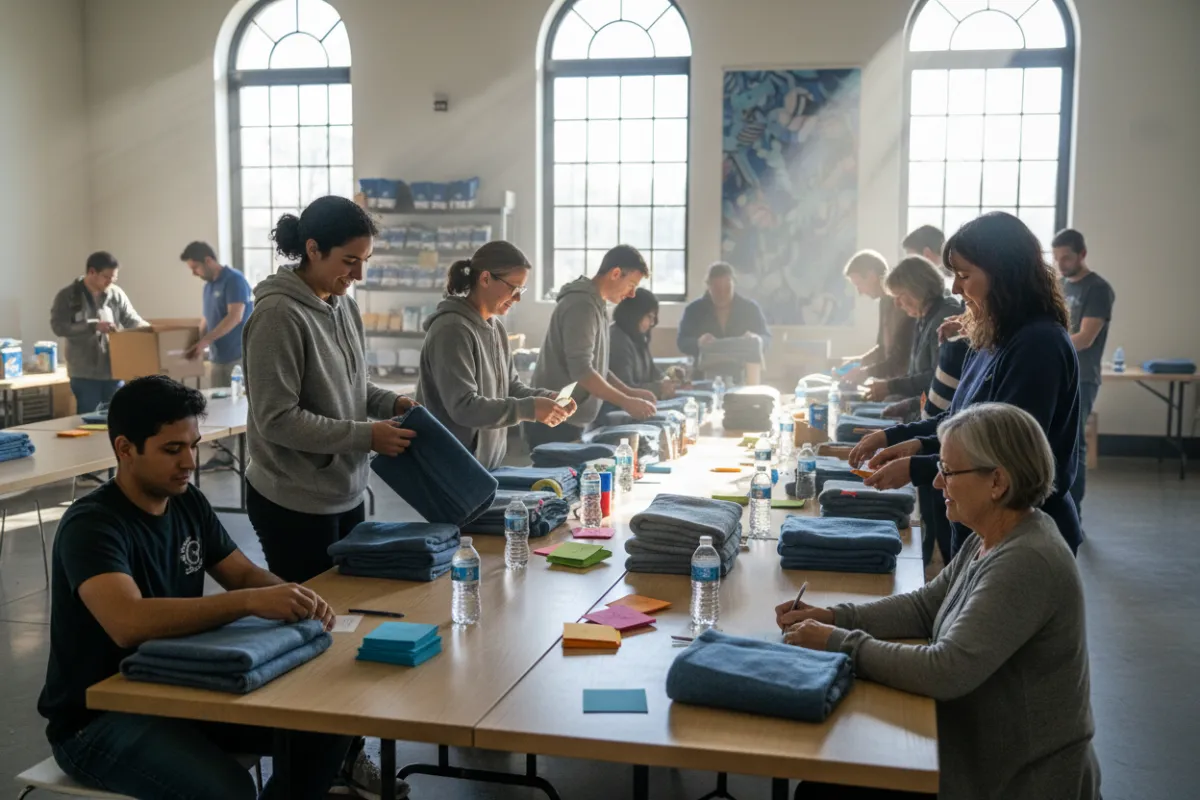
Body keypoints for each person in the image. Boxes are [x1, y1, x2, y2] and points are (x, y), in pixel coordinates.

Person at [37, 375, 350, 800]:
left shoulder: (186, 500)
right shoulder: (93, 525)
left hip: (176, 688)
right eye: (172, 449)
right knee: (229, 791)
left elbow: (241, 574)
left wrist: (297, 600)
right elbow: (127, 622)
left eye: (193, 445)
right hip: (100, 717)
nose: (190, 462)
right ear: (125, 449)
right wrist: (249, 602)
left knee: (327, 726)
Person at [779, 403, 1100, 800]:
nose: (935, 484)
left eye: (947, 471)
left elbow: (945, 671)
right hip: (978, 756)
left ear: (997, 481)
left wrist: (837, 642)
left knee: (823, 791)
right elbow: (923, 607)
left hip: (1016, 782)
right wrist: (832, 616)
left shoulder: (1027, 560)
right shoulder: (993, 535)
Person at [242, 196, 414, 798]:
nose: (357, 275)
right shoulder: (277, 317)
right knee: (312, 640)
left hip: (344, 489)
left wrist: (386, 402)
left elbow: (350, 383)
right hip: (292, 500)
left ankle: (342, 753)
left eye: (364, 261)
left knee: (349, 632)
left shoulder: (338, 302)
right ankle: (301, 775)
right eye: (349, 260)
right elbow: (276, 418)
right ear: (310, 250)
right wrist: (367, 435)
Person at [849, 212, 1082, 555]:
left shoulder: (1038, 345)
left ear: (1004, 275)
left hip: (1024, 537)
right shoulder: (992, 335)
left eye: (964, 275)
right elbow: (961, 424)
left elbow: (1005, 456)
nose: (956, 288)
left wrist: (917, 467)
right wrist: (899, 438)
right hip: (984, 525)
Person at [418, 241, 576, 470]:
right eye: (514, 288)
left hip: (484, 465)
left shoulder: (495, 328)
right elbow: (464, 407)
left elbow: (510, 388)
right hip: (450, 467)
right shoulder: (451, 329)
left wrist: (547, 398)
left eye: (521, 290)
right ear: (485, 279)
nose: (518, 298)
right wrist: (529, 409)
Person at [524, 244, 656, 448]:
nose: (632, 294)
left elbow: (598, 367)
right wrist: (626, 401)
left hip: (572, 419)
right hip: (555, 419)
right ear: (615, 273)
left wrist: (630, 392)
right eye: (631, 284)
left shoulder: (597, 303)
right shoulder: (582, 305)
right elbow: (582, 371)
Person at [1053, 228, 1114, 517]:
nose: (1061, 264)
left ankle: (1073, 513)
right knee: (1057, 442)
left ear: (1082, 254)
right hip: (1059, 373)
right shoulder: (1061, 285)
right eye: (1057, 258)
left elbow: (1087, 337)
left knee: (1075, 443)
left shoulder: (1098, 289)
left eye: (1066, 258)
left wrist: (1049, 346)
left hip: (1083, 377)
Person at [50, 251, 148, 414]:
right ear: (91, 272)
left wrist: (150, 330)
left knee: (117, 419)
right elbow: (58, 327)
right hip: (84, 373)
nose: (110, 281)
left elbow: (131, 319)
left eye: (113, 278)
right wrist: (92, 327)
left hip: (114, 370)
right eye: (106, 277)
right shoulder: (67, 296)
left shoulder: (116, 294)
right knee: (89, 421)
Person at [863, 255, 961, 404]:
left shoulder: (945, 318)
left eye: (899, 296)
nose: (896, 304)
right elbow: (914, 374)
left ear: (918, 289)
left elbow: (939, 378)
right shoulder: (922, 318)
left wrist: (892, 386)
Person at [676, 262, 771, 378]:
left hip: (743, 374)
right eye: (717, 290)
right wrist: (698, 343)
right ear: (708, 287)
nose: (722, 294)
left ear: (734, 284)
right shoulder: (694, 310)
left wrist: (757, 339)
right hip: (704, 375)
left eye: (727, 289)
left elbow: (767, 337)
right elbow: (682, 341)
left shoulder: (750, 308)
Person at [180, 241, 254, 390]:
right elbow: (206, 318)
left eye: (195, 268)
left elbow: (235, 317)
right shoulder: (208, 286)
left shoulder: (234, 280)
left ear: (208, 261)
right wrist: (197, 342)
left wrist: (205, 341)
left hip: (237, 358)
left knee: (238, 406)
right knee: (218, 405)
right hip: (217, 358)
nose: (194, 273)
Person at [842, 250, 915, 383]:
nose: (860, 292)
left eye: (859, 284)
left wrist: (865, 373)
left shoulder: (902, 305)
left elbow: (900, 357)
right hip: (890, 380)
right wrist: (860, 361)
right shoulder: (884, 302)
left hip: (905, 383)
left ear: (871, 276)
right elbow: (882, 348)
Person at [607, 287, 677, 410]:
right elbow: (624, 388)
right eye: (649, 317)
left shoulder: (638, 336)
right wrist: (659, 388)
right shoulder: (617, 340)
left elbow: (653, 372)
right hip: (617, 412)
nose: (652, 323)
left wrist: (669, 377)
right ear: (635, 315)